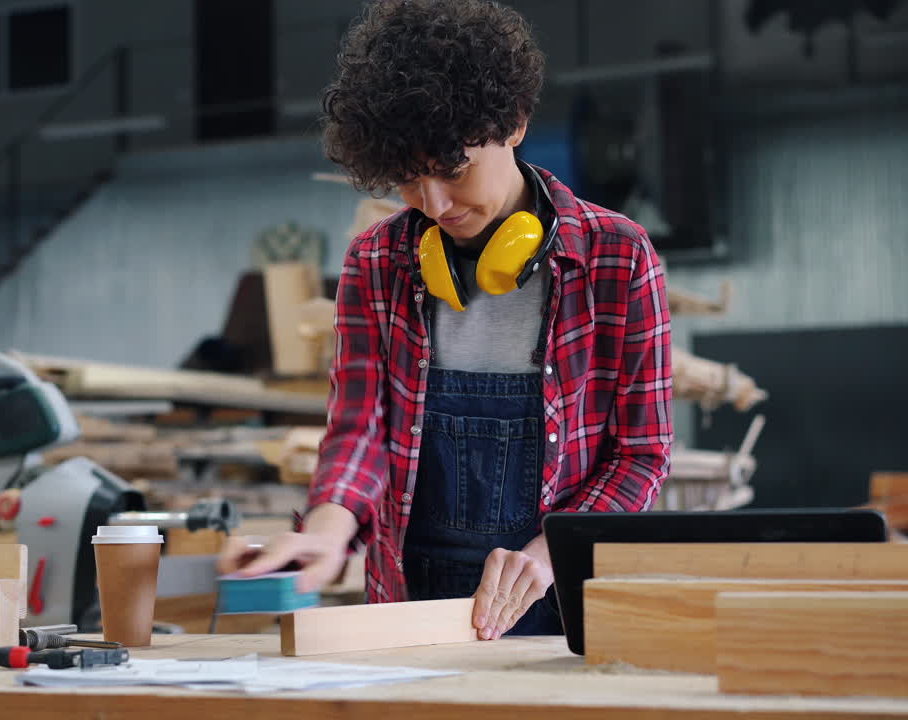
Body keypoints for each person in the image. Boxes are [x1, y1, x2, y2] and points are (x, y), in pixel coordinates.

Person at [220, 0, 673, 639]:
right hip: (409, 611)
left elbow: (642, 455)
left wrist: (549, 555)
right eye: (407, 181)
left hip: (570, 606)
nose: (432, 204)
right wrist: (325, 530)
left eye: (452, 170)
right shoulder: (378, 261)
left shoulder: (617, 258)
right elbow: (360, 428)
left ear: (513, 124)